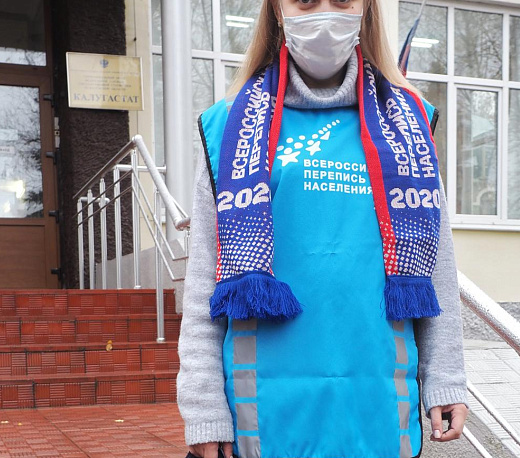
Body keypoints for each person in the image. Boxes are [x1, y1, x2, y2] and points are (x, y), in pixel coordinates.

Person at [177, 1, 468, 457]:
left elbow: (437, 272)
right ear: (277, 9)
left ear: (365, 8)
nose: (325, 14)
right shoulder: (227, 127)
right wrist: (202, 408)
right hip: (265, 425)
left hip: (378, 417)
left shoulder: (409, 126)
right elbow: (203, 287)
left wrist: (446, 377)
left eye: (342, 0)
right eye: (306, 0)